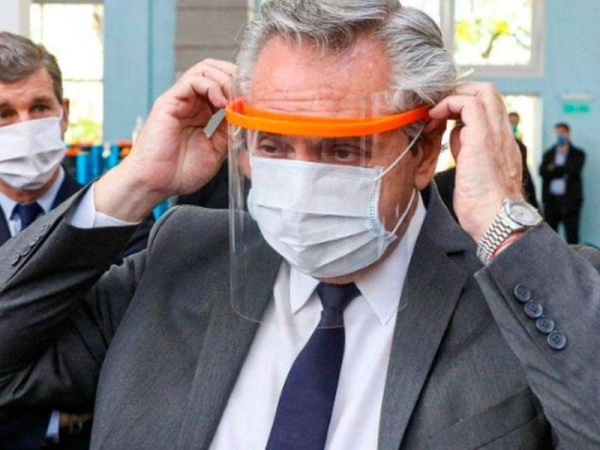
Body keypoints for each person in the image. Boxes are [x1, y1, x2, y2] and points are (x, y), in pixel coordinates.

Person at [0, 2, 599, 449]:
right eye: (274, 144)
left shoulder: (530, 297)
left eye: (343, 149)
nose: (305, 178)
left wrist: (503, 224)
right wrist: (134, 183)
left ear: (422, 151)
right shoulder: (181, 258)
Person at [0, 31, 154, 450]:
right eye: (4, 113)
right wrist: (51, 418)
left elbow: (131, 356)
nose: (25, 127)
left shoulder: (122, 222)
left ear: (63, 114)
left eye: (39, 107)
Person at [539, 122, 586, 244]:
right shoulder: (549, 154)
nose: (559, 135)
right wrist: (563, 171)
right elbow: (542, 172)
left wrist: (553, 169)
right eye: (557, 133)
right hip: (551, 202)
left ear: (568, 134)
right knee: (550, 237)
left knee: (572, 236)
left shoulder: (578, 154)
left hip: (571, 202)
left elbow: (573, 170)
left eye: (562, 133)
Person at [508, 111, 538, 208]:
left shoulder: (521, 146)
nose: (513, 126)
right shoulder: (495, 145)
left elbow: (523, 169)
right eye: (511, 123)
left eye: (515, 123)